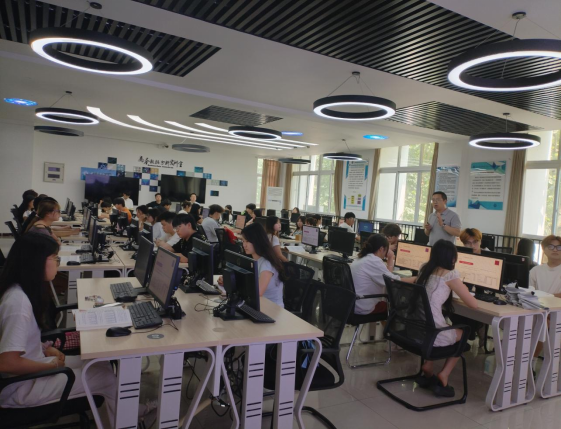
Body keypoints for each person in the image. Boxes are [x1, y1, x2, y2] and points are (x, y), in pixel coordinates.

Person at [0, 233, 117, 426]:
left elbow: (18, 339)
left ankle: (118, 416)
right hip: (23, 388)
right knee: (105, 377)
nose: (58, 263)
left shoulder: (19, 291)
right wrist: (51, 366)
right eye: (55, 258)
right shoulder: (17, 304)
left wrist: (46, 349)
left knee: (98, 362)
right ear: (36, 262)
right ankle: (126, 419)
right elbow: (6, 362)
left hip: (31, 369)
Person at [415, 240, 478, 397]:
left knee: (445, 324)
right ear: (452, 258)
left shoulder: (424, 269)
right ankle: (444, 374)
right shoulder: (450, 275)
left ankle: (428, 365)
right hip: (433, 333)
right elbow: (473, 304)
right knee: (464, 333)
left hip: (416, 330)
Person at [220, 223, 286, 307]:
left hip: (271, 308)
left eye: (247, 241)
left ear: (257, 241)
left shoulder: (266, 263)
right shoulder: (251, 260)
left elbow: (258, 292)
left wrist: (235, 285)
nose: (244, 245)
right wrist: (229, 280)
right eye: (243, 241)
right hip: (256, 304)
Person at [351, 234, 416, 315]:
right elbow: (392, 281)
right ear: (381, 249)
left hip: (354, 303)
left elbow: (388, 277)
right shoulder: (374, 261)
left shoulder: (362, 257)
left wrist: (389, 258)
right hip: (364, 306)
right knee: (397, 308)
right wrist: (415, 278)